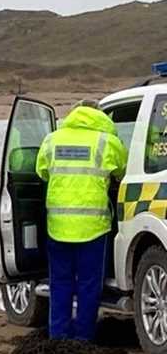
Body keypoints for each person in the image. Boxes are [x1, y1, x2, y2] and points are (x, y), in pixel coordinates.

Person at [35, 102, 128, 341]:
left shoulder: (52, 140)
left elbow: (41, 172)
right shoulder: (107, 142)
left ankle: (58, 336)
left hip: (58, 226)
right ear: (99, 116)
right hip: (93, 228)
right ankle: (84, 337)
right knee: (89, 285)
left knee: (60, 283)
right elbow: (123, 172)